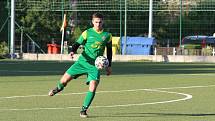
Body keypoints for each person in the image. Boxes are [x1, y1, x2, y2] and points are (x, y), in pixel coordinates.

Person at [48, 12, 112, 118]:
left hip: (95, 66)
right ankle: (58, 89)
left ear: (102, 22)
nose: (98, 24)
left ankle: (84, 110)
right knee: (64, 81)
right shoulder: (87, 33)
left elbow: (109, 52)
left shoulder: (107, 35)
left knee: (93, 86)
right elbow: (77, 43)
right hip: (82, 62)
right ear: (92, 22)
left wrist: (109, 66)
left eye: (100, 22)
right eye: (96, 22)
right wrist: (73, 51)